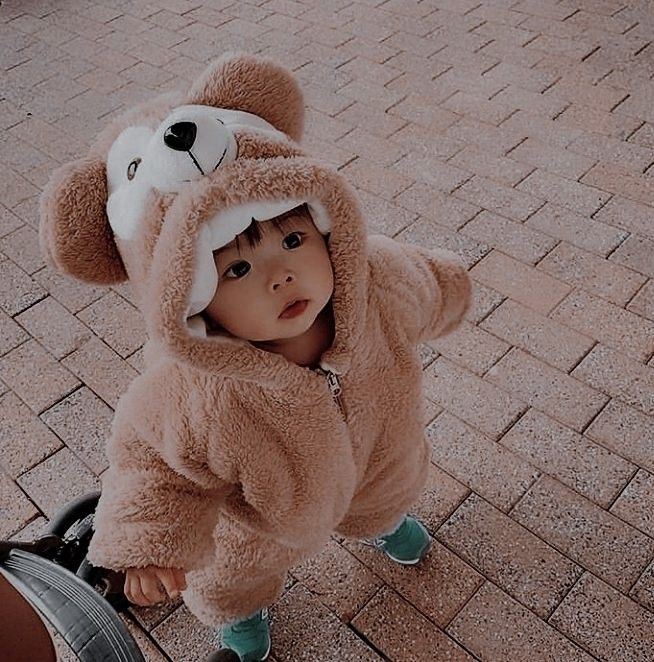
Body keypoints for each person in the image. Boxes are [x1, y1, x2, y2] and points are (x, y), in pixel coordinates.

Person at [39, 53, 471, 662]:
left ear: (328, 228)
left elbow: (428, 283)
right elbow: (153, 465)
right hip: (261, 523)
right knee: (234, 576)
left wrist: (454, 287)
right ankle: (242, 613)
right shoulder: (189, 390)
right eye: (237, 268)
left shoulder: (375, 284)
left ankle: (379, 522)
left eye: (293, 239)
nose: (282, 275)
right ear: (192, 300)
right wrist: (148, 544)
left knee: (385, 491)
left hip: (380, 454)